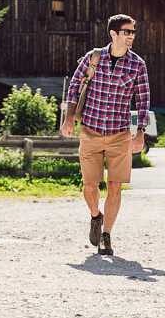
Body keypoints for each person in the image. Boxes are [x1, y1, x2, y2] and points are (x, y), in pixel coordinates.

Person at [62, 14, 150, 256]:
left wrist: (140, 133)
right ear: (113, 34)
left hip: (120, 134)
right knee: (90, 185)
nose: (131, 35)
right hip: (90, 130)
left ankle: (106, 235)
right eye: (127, 31)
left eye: (133, 32)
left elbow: (143, 101)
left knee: (115, 185)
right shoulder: (93, 58)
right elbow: (73, 87)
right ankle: (95, 216)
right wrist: (69, 119)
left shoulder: (137, 65)